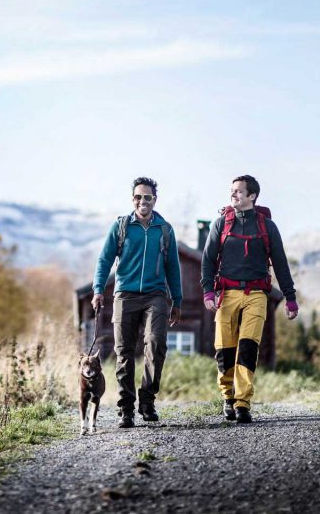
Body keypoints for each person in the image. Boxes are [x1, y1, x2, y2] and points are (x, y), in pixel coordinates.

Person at [201, 174, 298, 424]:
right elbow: (208, 260)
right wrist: (208, 291)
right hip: (227, 294)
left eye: (238, 191)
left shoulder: (267, 226)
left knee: (248, 347)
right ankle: (228, 398)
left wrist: (290, 297)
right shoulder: (221, 224)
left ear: (252, 196)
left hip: (256, 295)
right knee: (224, 349)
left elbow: (280, 263)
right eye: (231, 190)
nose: (233, 194)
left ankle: (243, 403)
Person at [92, 176, 182, 428]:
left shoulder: (164, 230)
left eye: (148, 197)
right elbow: (104, 260)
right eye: (138, 197)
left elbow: (173, 268)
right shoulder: (121, 227)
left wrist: (177, 300)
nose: (143, 201)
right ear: (133, 199)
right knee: (124, 352)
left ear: (155, 200)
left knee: (156, 344)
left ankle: (147, 400)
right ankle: (126, 408)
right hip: (125, 295)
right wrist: (98, 289)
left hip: (155, 295)